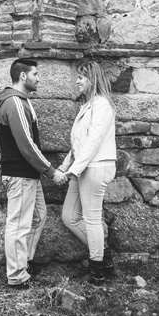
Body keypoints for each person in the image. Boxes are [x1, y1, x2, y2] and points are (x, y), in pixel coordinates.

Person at [0, 58, 67, 290]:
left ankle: (24, 264)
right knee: (18, 225)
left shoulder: (23, 102)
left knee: (37, 218)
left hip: (29, 176)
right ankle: (16, 276)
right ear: (23, 76)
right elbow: (27, 145)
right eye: (35, 74)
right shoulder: (15, 103)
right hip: (20, 176)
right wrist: (51, 171)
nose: (39, 78)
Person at [58, 61, 118, 284]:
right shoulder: (87, 105)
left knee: (91, 220)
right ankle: (104, 256)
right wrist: (64, 168)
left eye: (81, 78)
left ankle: (97, 272)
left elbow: (93, 143)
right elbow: (78, 145)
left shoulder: (102, 106)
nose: (77, 81)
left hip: (96, 167)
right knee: (69, 217)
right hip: (83, 167)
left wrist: (73, 171)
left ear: (92, 79)